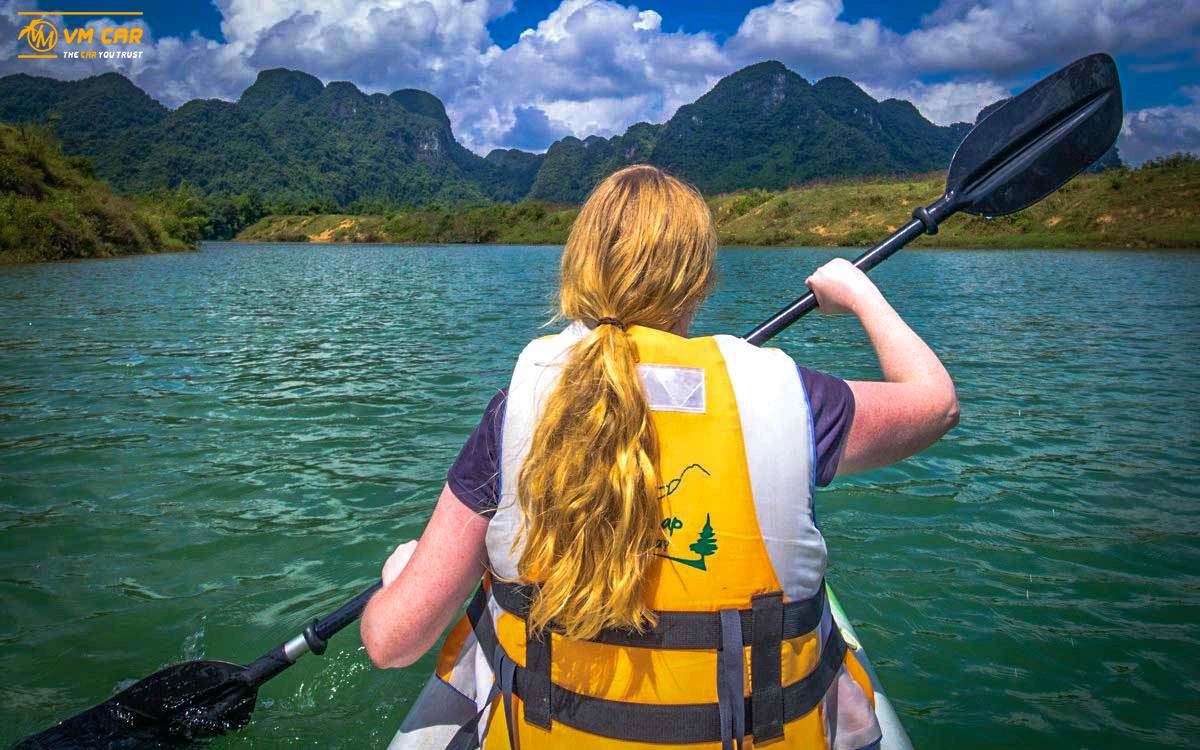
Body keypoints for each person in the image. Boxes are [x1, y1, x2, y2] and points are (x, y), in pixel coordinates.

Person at [361, 164, 958, 750]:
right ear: (698, 282)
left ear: (578, 270)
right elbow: (936, 405)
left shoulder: (517, 407)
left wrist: (402, 574)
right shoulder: (789, 396)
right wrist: (859, 295)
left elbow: (393, 643)